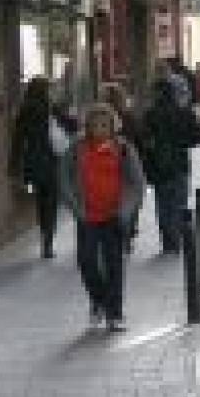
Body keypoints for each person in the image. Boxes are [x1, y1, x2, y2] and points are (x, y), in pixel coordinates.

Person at [60, 103, 145, 331]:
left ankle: (115, 313)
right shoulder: (77, 148)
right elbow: (65, 177)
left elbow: (137, 182)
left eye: (105, 125)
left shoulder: (123, 148)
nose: (100, 129)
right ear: (87, 126)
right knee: (86, 261)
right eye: (95, 124)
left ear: (113, 126)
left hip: (114, 216)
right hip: (87, 215)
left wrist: (125, 210)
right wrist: (75, 206)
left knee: (114, 264)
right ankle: (99, 301)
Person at [141, 77, 200, 254]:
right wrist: (181, 143)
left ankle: (168, 241)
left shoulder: (150, 114)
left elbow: (144, 139)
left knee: (163, 203)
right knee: (179, 202)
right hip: (180, 164)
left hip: (159, 165)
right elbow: (198, 137)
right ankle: (177, 237)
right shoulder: (184, 112)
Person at [11, 77, 62, 259]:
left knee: (41, 201)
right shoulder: (50, 108)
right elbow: (66, 129)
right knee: (52, 201)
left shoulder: (24, 110)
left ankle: (44, 236)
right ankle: (48, 242)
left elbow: (17, 139)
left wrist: (14, 164)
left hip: (32, 161)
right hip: (51, 161)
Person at [99, 82, 144, 252]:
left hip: (108, 167)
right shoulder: (129, 117)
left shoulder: (98, 120)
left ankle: (113, 234)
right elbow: (139, 141)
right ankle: (127, 232)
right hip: (126, 166)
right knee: (130, 199)